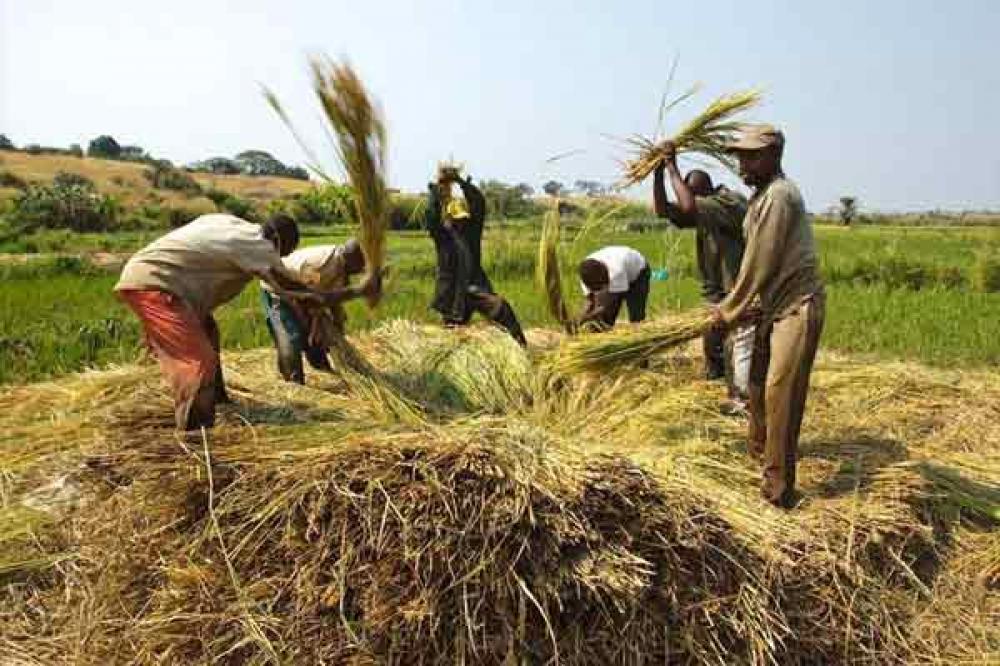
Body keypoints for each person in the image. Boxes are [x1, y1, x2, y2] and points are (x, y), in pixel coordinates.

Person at [115, 213, 319, 431]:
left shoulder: (235, 226)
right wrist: (321, 301)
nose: (281, 257)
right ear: (279, 241)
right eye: (285, 251)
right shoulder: (259, 246)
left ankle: (219, 401)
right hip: (157, 284)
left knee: (209, 333)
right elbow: (286, 285)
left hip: (159, 277)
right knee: (198, 363)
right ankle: (196, 436)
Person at [711, 124, 826, 509]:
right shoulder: (760, 197)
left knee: (781, 394)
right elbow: (755, 260)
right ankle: (760, 461)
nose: (742, 163)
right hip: (771, 306)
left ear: (774, 155)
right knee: (756, 390)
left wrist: (730, 309)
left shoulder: (780, 196)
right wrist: (750, 303)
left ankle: (779, 492)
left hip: (796, 306)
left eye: (751, 155)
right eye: (739, 155)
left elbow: (762, 260)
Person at [653, 143, 750, 401]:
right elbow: (664, 210)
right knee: (712, 342)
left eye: (691, 194)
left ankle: (739, 396)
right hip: (715, 290)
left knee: (737, 347)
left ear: (703, 192)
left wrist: (672, 166)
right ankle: (715, 385)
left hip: (739, 289)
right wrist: (657, 173)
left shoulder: (728, 202)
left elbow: (688, 207)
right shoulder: (703, 208)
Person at [425, 168, 527, 346]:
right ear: (448, 218)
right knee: (452, 337)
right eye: (456, 220)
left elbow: (478, 203)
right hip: (452, 290)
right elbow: (431, 219)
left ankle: (521, 347)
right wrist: (435, 195)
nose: (460, 223)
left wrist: (461, 182)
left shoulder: (471, 231)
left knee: (501, 307)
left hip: (474, 286)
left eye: (463, 219)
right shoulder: (442, 236)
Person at [260, 239, 382, 383]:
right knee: (291, 337)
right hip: (277, 291)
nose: (361, 269)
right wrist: (358, 291)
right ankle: (293, 383)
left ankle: (322, 368)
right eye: (361, 265)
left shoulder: (342, 267)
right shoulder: (320, 265)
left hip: (305, 294)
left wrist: (337, 333)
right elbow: (306, 298)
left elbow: (333, 301)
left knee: (319, 334)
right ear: (353, 260)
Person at [575, 246, 650, 330]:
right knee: (602, 321)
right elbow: (590, 302)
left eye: (601, 286)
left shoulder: (616, 271)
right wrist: (580, 318)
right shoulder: (586, 275)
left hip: (639, 274)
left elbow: (606, 306)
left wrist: (584, 318)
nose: (601, 290)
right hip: (618, 268)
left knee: (636, 317)